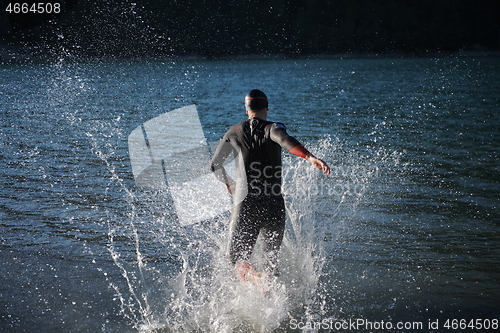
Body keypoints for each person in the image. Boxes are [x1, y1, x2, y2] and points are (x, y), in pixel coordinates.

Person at [210, 89, 330, 282]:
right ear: (267, 107)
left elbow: (215, 165)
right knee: (271, 262)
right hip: (274, 205)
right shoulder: (274, 128)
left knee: (236, 260)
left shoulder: (233, 132)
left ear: (246, 110)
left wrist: (229, 183)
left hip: (246, 205)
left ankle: (257, 278)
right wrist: (309, 157)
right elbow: (284, 140)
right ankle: (275, 304)